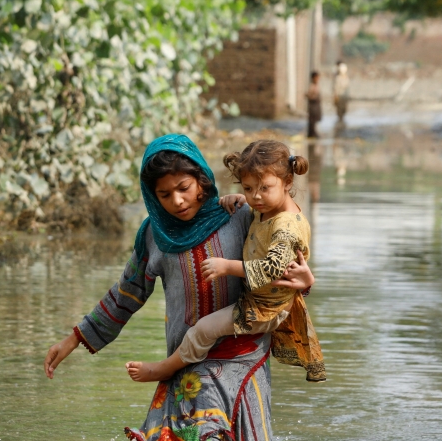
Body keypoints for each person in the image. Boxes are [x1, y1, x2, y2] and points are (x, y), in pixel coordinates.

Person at [43, 134, 314, 441]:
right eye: (165, 194)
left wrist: (307, 280)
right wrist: (75, 337)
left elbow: (285, 261)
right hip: (190, 367)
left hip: (247, 360)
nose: (178, 201)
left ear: (203, 180)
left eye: (184, 188)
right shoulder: (154, 235)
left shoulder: (241, 215)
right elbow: (127, 293)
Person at [126, 139, 326, 384]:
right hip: (261, 302)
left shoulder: (286, 226)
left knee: (203, 329)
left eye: (264, 188)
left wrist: (227, 266)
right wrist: (239, 198)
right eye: (248, 188)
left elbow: (273, 268)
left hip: (263, 308)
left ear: (287, 182)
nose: (255, 196)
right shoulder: (262, 211)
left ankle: (166, 368)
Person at [334, 61, 350, 127]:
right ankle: (340, 120)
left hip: (344, 97)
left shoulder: (346, 78)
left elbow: (347, 88)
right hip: (340, 96)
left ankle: (342, 120)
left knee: (343, 109)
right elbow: (336, 88)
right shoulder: (338, 78)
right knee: (339, 109)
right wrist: (336, 95)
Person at [306, 71, 322, 139]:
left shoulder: (317, 85)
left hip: (316, 105)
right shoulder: (312, 86)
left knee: (315, 119)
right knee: (312, 120)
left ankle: (313, 132)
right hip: (313, 105)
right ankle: (311, 133)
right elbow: (308, 95)